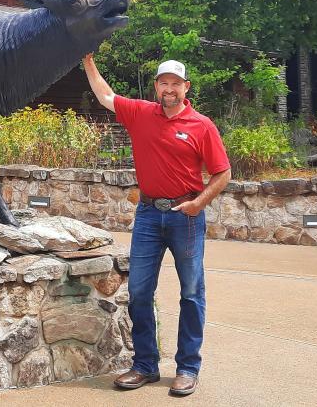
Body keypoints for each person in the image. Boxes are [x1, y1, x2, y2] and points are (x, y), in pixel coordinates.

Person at [82, 54, 231, 397]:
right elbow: (105, 95)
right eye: (164, 83)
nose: (169, 89)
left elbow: (223, 173)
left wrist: (198, 204)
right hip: (149, 214)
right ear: (156, 87)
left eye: (176, 83)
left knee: (191, 293)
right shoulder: (140, 113)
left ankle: (188, 368)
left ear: (186, 88)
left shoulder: (201, 125)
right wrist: (87, 59)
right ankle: (145, 365)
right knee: (138, 292)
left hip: (186, 216)